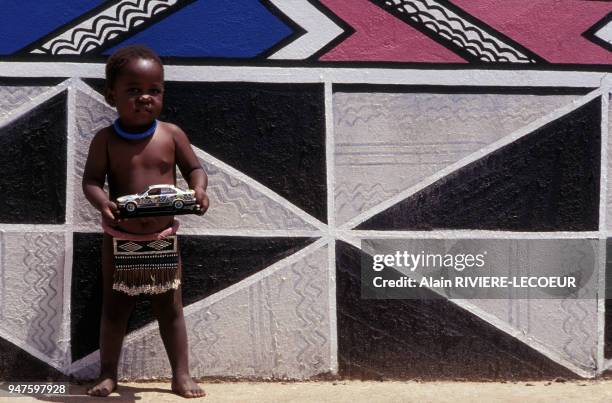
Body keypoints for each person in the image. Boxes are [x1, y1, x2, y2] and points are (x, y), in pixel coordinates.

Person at [82, 45, 209, 398]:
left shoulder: (171, 135)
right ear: (112, 96)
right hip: (118, 239)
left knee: (170, 308)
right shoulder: (105, 140)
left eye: (154, 90)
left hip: (163, 237)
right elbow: (91, 181)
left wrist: (198, 191)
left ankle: (180, 375)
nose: (145, 98)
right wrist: (103, 203)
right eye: (133, 90)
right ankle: (108, 375)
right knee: (114, 309)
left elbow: (195, 169)